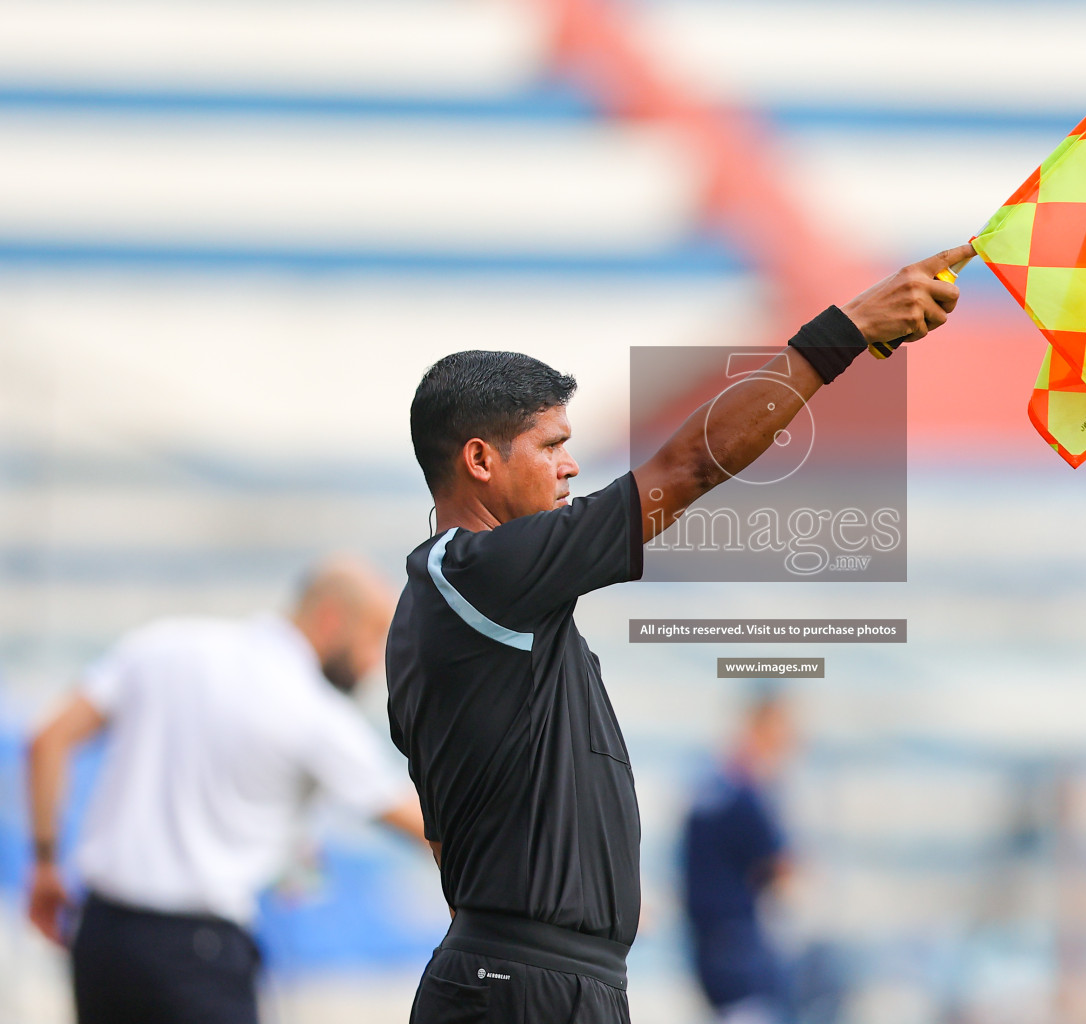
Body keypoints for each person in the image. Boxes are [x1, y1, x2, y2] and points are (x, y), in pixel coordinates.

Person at [387, 243, 973, 1024]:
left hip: (533, 975)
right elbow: (687, 468)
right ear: (480, 460)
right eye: (551, 445)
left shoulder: (466, 598)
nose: (570, 467)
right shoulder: (481, 573)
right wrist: (849, 331)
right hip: (521, 983)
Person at [26, 556, 427, 1024]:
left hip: (102, 936)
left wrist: (46, 863)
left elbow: (47, 740)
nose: (372, 663)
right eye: (372, 637)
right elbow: (422, 826)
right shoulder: (315, 713)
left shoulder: (165, 644)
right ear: (332, 618)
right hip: (198, 952)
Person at [682, 688, 798, 1023]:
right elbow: (785, 868)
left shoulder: (710, 785)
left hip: (709, 939)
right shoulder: (746, 795)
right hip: (737, 943)